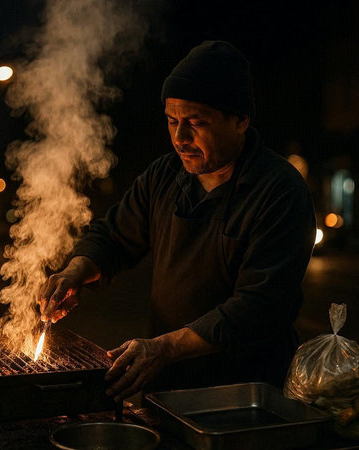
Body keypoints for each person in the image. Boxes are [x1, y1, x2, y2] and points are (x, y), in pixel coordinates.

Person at [38, 41, 316, 403]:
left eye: (196, 123)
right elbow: (113, 237)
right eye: (172, 122)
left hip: (247, 395)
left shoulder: (279, 191)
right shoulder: (165, 175)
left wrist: (164, 348)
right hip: (167, 387)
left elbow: (258, 307)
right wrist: (75, 272)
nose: (180, 139)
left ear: (240, 121)